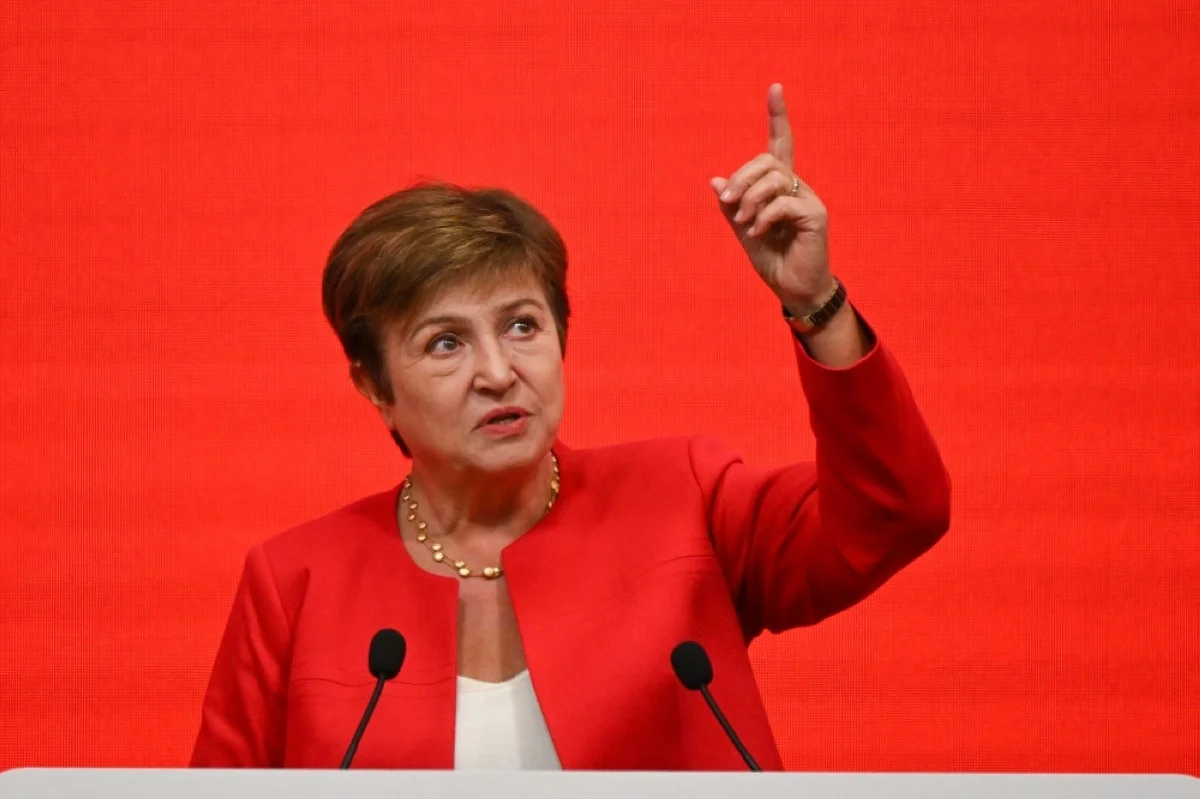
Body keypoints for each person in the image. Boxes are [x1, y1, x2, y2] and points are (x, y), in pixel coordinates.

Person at [189, 83, 950, 771]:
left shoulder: (682, 500)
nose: (497, 370)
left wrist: (815, 302)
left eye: (522, 325)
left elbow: (893, 514)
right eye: (446, 342)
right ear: (373, 384)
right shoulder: (295, 584)